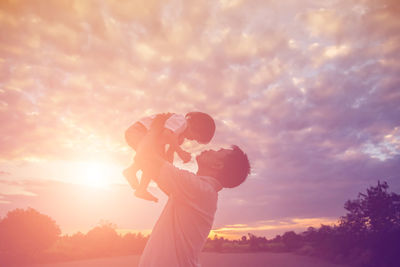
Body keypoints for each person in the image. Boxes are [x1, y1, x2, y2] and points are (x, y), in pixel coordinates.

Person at [135, 127, 251, 267]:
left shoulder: (200, 190)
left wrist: (156, 126)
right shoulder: (200, 191)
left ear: (217, 165)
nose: (211, 149)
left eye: (218, 152)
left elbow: (144, 156)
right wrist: (172, 147)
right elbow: (164, 175)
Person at [123, 112, 216, 202]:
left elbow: (169, 155)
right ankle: (131, 172)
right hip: (139, 131)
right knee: (150, 158)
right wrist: (180, 152)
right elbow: (167, 134)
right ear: (196, 126)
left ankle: (141, 188)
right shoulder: (181, 121)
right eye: (195, 137)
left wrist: (168, 169)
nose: (192, 139)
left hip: (149, 140)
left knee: (153, 163)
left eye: (196, 140)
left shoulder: (179, 139)